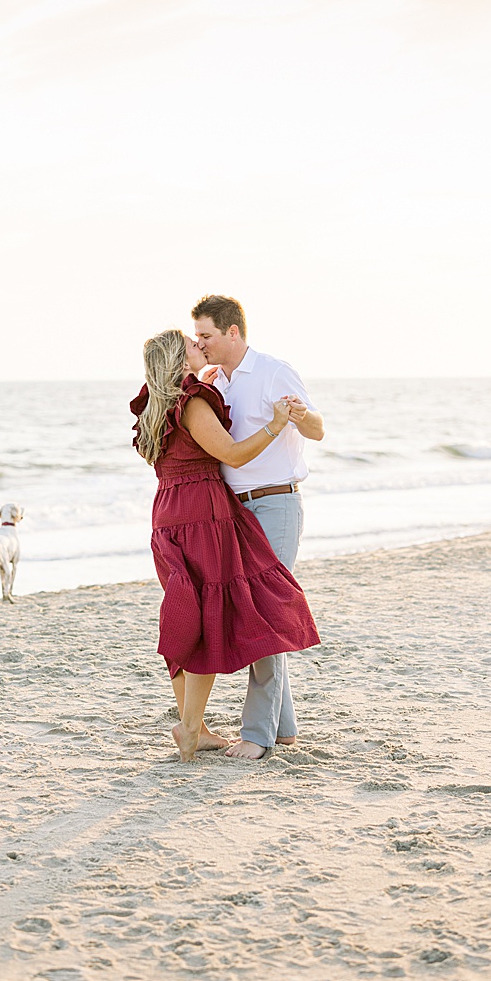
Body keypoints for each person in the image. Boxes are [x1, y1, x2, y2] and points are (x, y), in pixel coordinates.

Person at [130, 328, 319, 761]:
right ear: (180, 362)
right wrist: (274, 425)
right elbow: (231, 455)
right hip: (202, 517)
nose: (202, 347)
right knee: (208, 616)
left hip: (168, 517)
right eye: (194, 345)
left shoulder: (155, 405)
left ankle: (204, 727)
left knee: (183, 612)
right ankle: (192, 730)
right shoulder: (192, 402)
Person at [189, 294, 324, 760]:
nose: (200, 343)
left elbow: (319, 429)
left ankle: (258, 736)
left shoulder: (272, 370)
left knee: (264, 615)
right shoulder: (212, 381)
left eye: (206, 335)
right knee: (255, 612)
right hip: (234, 511)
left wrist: (301, 417)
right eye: (197, 336)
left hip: (276, 505)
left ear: (232, 332)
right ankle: (283, 727)